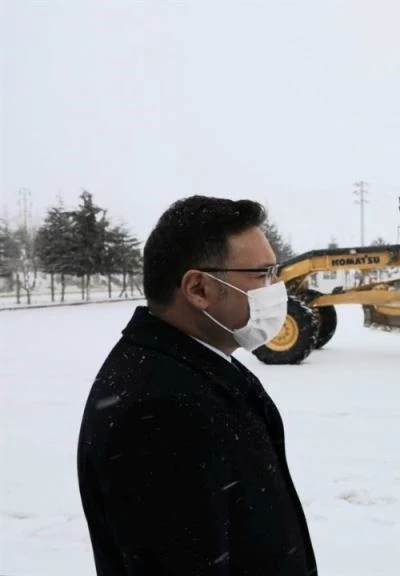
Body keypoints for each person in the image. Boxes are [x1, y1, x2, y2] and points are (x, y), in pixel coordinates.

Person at [76, 196, 317, 575]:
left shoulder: (199, 365)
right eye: (263, 274)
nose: (277, 288)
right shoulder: (160, 411)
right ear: (198, 289)